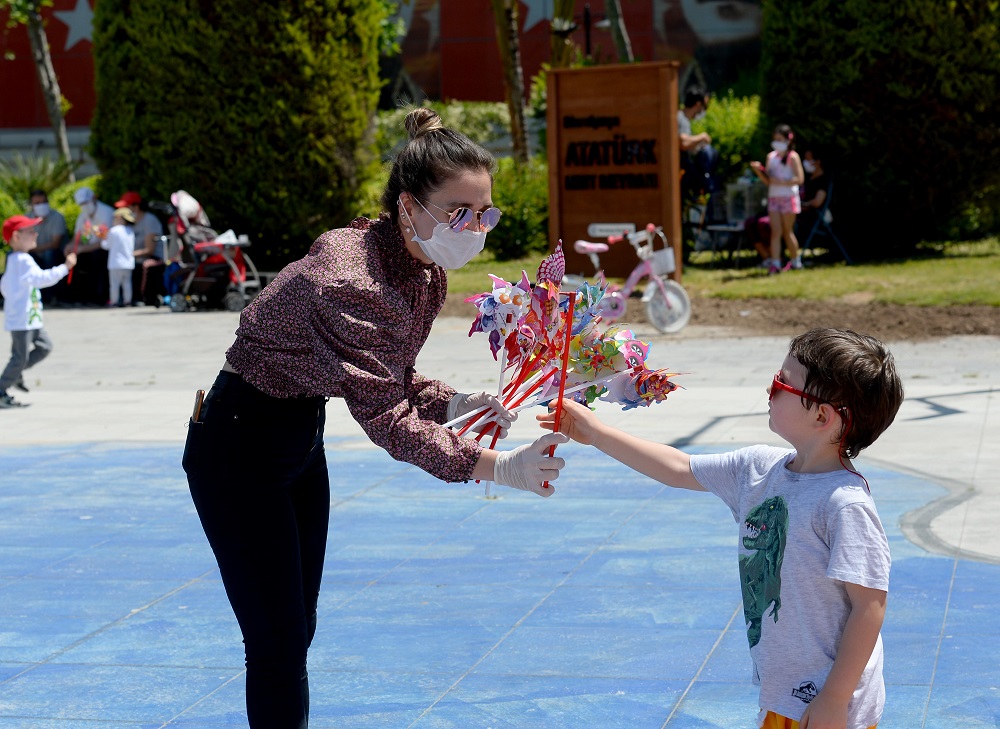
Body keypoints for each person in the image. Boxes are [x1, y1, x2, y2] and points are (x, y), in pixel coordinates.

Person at [181, 107, 568, 728]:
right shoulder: (351, 278)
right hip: (238, 449)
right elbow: (385, 414)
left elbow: (393, 375)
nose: (474, 228)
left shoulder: (420, 268)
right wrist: (496, 467)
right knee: (276, 639)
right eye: (459, 213)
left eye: (485, 213)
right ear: (409, 205)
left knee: (296, 628)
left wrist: (456, 402)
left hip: (300, 440)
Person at [539, 327, 904, 729]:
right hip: (783, 693)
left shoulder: (844, 504)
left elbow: (870, 606)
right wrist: (596, 433)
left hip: (833, 704)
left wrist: (834, 699)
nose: (770, 389)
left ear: (822, 415)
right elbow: (679, 468)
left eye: (781, 383)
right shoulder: (759, 469)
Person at [0, 215, 77, 408]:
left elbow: (6, 286)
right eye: (30, 231)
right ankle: (2, 389)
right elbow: (41, 279)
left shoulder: (15, 260)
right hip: (22, 320)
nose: (36, 234)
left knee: (44, 347)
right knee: (20, 357)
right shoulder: (22, 260)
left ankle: (14, 374)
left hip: (30, 318)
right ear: (17, 236)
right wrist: (65, 267)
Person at [745, 146, 832, 267]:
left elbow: (817, 202)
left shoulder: (822, 180)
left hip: (806, 214)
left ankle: (784, 259)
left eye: (808, 159)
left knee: (767, 224)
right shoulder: (809, 178)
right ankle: (769, 259)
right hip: (787, 208)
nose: (806, 162)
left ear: (818, 162)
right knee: (751, 222)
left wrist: (802, 204)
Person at [750, 124, 805, 273]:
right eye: (775, 139)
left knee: (788, 231)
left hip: (788, 197)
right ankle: (775, 264)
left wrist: (783, 182)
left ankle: (795, 262)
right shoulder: (771, 157)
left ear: (788, 140)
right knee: (776, 231)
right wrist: (759, 171)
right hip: (774, 197)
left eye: (780, 139)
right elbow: (768, 181)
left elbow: (800, 179)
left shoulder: (793, 157)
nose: (776, 142)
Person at [64, 187, 115, 305]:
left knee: (97, 258)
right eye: (81, 204)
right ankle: (77, 297)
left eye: (85, 202)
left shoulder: (106, 212)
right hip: (87, 250)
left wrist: (82, 249)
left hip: (104, 250)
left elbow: (105, 240)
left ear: (94, 198)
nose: (84, 206)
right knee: (74, 260)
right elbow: (77, 236)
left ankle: (99, 298)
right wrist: (70, 246)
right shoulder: (83, 216)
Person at [115, 191, 166, 306]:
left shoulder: (149, 220)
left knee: (142, 266)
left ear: (135, 207)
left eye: (126, 207)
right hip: (133, 258)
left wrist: (127, 255)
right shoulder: (128, 223)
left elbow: (149, 250)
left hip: (153, 258)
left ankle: (141, 297)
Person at [678, 85, 721, 198]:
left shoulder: (685, 120)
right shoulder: (680, 118)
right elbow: (682, 143)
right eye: (704, 106)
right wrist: (701, 137)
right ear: (698, 104)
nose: (703, 110)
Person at [102, 207, 136, 307]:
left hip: (115, 263)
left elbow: (106, 245)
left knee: (114, 284)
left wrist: (103, 239)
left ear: (119, 218)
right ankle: (127, 301)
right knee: (127, 284)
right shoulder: (130, 231)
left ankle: (114, 301)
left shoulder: (114, 231)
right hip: (128, 263)